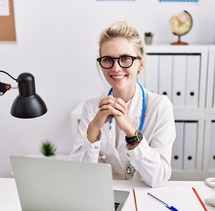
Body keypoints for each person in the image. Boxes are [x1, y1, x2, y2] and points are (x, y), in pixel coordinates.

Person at [69, 21, 176, 187]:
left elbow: (159, 178)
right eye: (107, 60)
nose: (116, 68)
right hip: (104, 198)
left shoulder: (160, 107)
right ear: (101, 64)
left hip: (144, 199)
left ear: (140, 63)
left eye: (125, 58)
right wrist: (93, 129)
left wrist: (132, 133)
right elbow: (77, 175)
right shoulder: (91, 107)